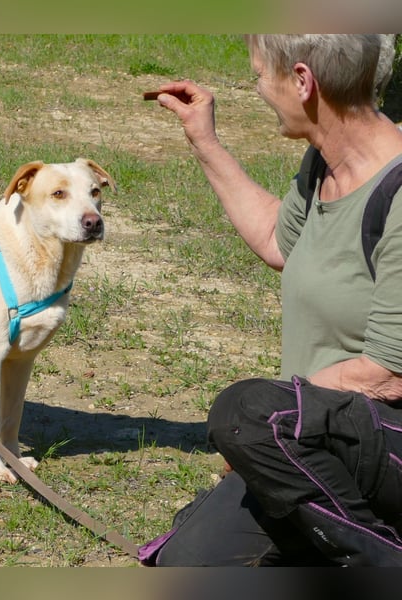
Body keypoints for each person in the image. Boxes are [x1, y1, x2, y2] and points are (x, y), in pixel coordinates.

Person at [138, 35, 402, 566]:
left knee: (245, 411)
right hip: (318, 438)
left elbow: (389, 374)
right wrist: (204, 141)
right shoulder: (323, 162)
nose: (257, 88)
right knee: (185, 563)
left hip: (383, 438)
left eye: (259, 74)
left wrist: (275, 422)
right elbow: (280, 242)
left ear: (303, 81)